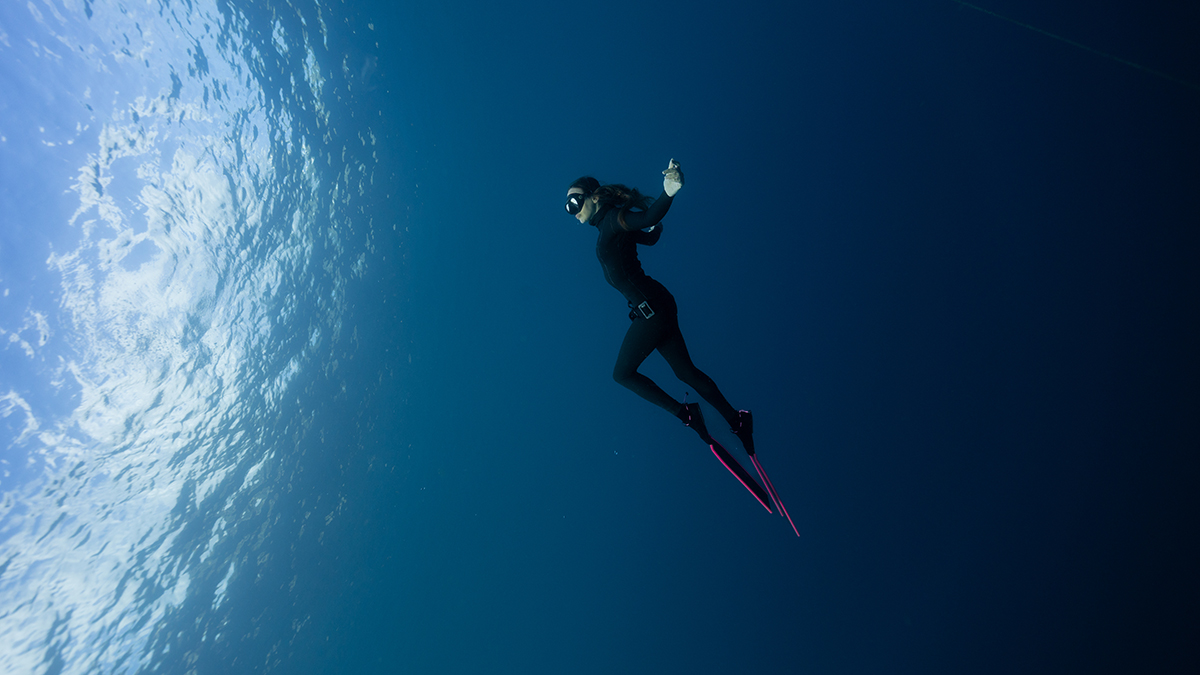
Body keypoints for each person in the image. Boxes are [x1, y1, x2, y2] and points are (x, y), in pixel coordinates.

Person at [565, 159, 755, 454]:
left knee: (622, 374)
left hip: (652, 310)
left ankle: (686, 413)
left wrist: (669, 191)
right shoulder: (609, 228)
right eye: (568, 205)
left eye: (574, 201)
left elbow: (649, 216)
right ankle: (737, 420)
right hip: (656, 306)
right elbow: (649, 235)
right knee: (687, 373)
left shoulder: (613, 220)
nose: (572, 210)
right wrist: (654, 226)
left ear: (594, 196)